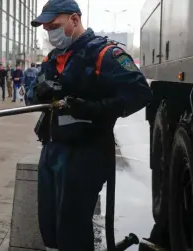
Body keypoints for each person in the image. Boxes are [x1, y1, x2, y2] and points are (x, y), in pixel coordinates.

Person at [27, 1, 152, 251]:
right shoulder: (53, 59)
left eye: (55, 26)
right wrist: (37, 93)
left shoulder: (105, 54)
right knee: (50, 229)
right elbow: (30, 95)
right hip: (52, 150)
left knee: (72, 232)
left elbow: (140, 92)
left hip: (85, 153)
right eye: (46, 29)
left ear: (74, 20)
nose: (51, 33)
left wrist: (90, 107)